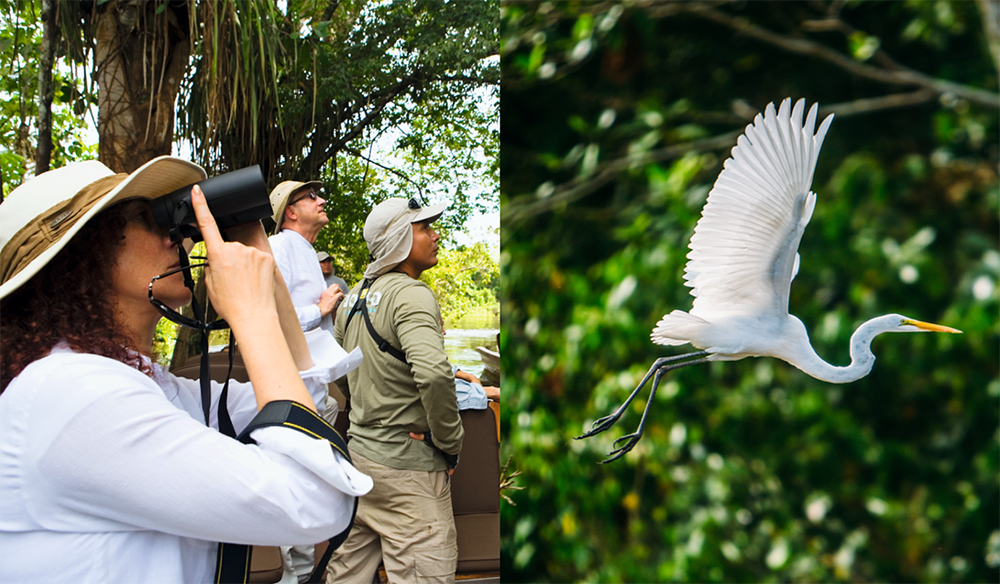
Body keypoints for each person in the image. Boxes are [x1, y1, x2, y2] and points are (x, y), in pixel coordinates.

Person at [0, 158, 372, 584]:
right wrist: (250, 314)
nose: (173, 234)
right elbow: (313, 501)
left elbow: (307, 403)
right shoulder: (70, 393)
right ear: (84, 254)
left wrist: (257, 254)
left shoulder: (146, 385)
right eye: (145, 217)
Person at [326, 198, 464, 584]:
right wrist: (449, 441)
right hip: (409, 472)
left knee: (345, 576)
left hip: (360, 461)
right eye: (424, 228)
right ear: (400, 240)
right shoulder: (411, 294)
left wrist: (367, 413)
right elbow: (435, 375)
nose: (435, 235)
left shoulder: (351, 300)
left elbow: (339, 372)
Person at [268, 180, 344, 336]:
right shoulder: (279, 247)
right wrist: (320, 309)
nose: (322, 201)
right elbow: (272, 317)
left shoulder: (306, 249)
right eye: (312, 196)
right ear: (291, 213)